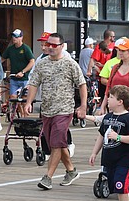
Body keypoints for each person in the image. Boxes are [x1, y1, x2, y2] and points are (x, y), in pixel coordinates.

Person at [25, 32, 87, 190]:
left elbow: (81, 84)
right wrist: (28, 102)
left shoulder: (70, 63)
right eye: (48, 45)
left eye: (53, 45)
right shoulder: (42, 63)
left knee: (56, 144)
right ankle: (71, 171)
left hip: (64, 109)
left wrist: (83, 105)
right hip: (46, 110)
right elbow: (34, 83)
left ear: (61, 46)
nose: (49, 48)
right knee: (58, 143)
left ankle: (48, 177)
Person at [89, 85, 129, 201]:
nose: (108, 100)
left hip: (125, 158)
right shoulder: (108, 117)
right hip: (110, 157)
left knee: (121, 184)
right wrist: (94, 152)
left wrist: (118, 137)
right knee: (114, 184)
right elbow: (101, 135)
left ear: (120, 101)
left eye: (111, 97)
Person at [1, 29, 35, 117]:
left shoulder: (25, 48)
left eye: (16, 36)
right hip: (14, 78)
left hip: (25, 78)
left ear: (21, 37)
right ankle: (20, 114)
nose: (14, 38)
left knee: (24, 100)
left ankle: (25, 117)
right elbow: (2, 59)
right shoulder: (10, 49)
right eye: (13, 36)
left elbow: (32, 61)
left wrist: (23, 72)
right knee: (13, 98)